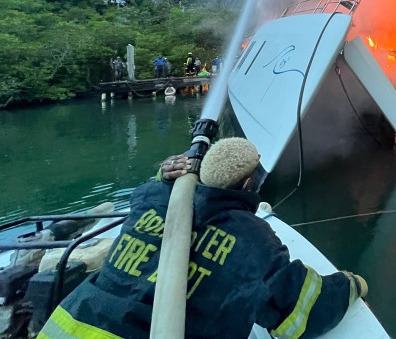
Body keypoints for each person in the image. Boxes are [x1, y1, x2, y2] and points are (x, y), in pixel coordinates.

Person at [38, 137, 366, 339]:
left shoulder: (151, 197)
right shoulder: (252, 238)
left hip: (66, 324)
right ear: (251, 184)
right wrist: (352, 284)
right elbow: (302, 314)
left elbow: (151, 191)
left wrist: (166, 177)